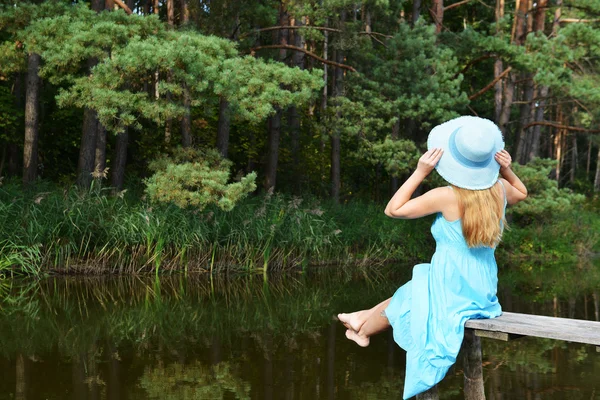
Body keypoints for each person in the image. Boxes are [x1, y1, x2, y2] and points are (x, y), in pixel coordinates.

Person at [337, 116, 528, 399]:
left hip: (451, 286)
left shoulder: (446, 195)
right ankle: (360, 322)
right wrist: (507, 170)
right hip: (482, 290)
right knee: (415, 287)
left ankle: (362, 326)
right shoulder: (499, 190)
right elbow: (522, 193)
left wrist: (420, 172)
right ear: (487, 161)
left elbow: (393, 210)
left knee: (414, 290)